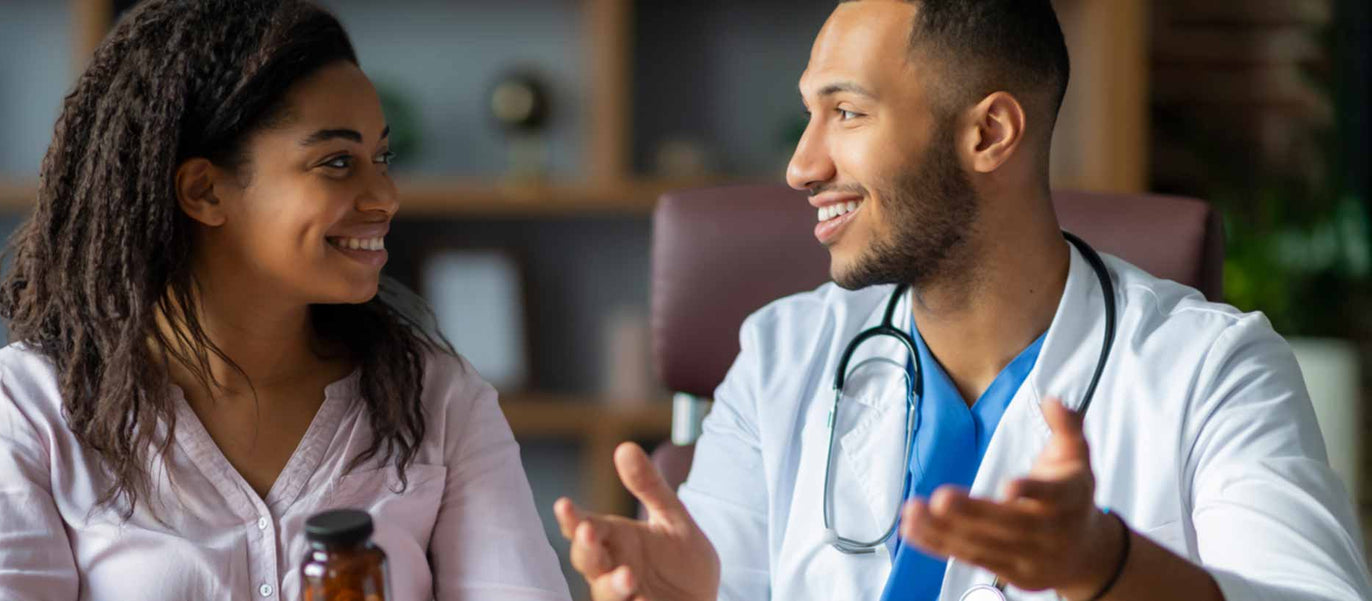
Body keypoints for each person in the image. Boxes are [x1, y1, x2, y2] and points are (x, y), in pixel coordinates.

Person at [554, 1, 1372, 600]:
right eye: (812, 114)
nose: (802, 165)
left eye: (845, 112)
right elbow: (715, 579)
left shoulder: (1214, 368)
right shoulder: (785, 352)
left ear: (989, 134)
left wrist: (1109, 567)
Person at [0, 1, 569, 600]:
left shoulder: (439, 400)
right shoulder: (28, 408)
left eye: (382, 156)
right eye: (338, 162)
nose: (386, 195)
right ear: (205, 191)